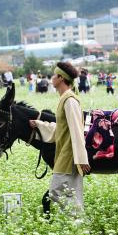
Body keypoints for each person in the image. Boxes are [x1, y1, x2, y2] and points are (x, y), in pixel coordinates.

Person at [29, 62, 90, 216]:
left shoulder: (69, 100)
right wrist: (39, 125)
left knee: (55, 191)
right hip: (66, 153)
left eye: (54, 75)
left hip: (69, 154)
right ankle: (77, 225)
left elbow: (76, 130)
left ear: (61, 78)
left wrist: (82, 158)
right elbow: (61, 129)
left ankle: (77, 219)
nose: (52, 78)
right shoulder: (65, 98)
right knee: (71, 193)